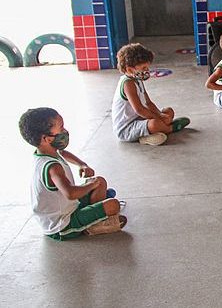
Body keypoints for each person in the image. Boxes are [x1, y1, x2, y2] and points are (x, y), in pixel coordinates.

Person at [18, 107, 126, 240]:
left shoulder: (47, 152)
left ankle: (95, 213)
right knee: (112, 204)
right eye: (61, 127)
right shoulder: (52, 167)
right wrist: (91, 186)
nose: (65, 131)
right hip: (62, 224)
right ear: (46, 139)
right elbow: (71, 193)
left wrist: (82, 165)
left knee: (100, 182)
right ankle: (94, 224)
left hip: (69, 207)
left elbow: (63, 153)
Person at [112, 43, 190, 146]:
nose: (147, 71)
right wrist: (158, 119)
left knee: (168, 111)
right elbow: (139, 109)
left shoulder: (137, 79)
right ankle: (170, 128)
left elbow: (148, 103)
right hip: (126, 129)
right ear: (130, 70)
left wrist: (160, 114)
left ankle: (157, 131)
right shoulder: (128, 83)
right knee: (154, 124)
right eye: (144, 68)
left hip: (139, 118)